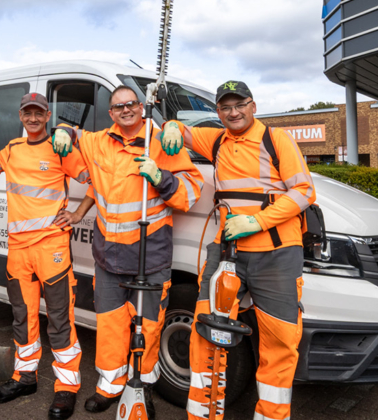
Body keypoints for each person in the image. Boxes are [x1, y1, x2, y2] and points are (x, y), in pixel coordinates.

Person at [158, 81, 316, 420]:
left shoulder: (277, 140)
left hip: (276, 253)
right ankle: (202, 413)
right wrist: (171, 124)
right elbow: (183, 133)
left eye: (239, 105)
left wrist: (257, 222)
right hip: (226, 252)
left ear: (253, 106)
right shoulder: (217, 139)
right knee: (206, 328)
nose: (233, 112)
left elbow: (303, 192)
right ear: (218, 112)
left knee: (279, 341)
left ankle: (271, 415)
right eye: (226, 107)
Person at [52, 86, 203, 418]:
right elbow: (75, 135)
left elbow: (190, 192)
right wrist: (62, 131)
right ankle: (110, 385)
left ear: (141, 107)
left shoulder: (160, 140)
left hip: (151, 251)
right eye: (118, 106)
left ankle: (143, 385)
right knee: (110, 325)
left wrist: (161, 177)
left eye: (131, 104)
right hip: (109, 254)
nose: (126, 110)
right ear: (111, 113)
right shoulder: (99, 141)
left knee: (149, 323)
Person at [0, 93, 94, 420]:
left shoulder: (60, 148)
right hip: (18, 248)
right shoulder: (12, 148)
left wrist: (78, 213)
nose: (32, 118)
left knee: (59, 318)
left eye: (38, 114)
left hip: (52, 247)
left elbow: (95, 179)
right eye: (27, 113)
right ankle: (24, 376)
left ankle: (67, 386)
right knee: (22, 316)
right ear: (20, 116)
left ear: (47, 117)